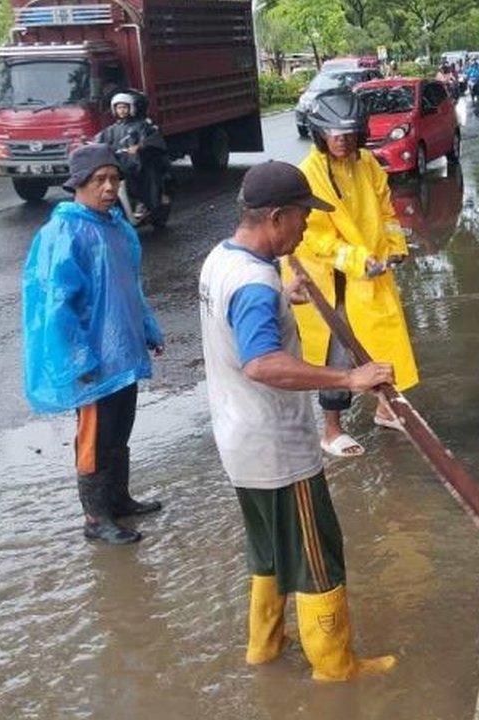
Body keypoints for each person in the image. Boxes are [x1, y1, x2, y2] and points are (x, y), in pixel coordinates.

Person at [198, 160, 398, 681]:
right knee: (317, 556)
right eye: (303, 217)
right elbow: (262, 362)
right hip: (277, 450)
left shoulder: (222, 259)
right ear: (277, 217)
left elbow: (240, 319)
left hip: (238, 443)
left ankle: (264, 647)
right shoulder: (255, 283)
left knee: (268, 551)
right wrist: (348, 380)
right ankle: (336, 668)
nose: (307, 227)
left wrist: (283, 301)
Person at [22, 144, 165, 545]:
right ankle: (95, 518)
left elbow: (129, 289)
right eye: (99, 180)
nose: (108, 187)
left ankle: (119, 500)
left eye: (114, 179)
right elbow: (57, 303)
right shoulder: (64, 232)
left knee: (120, 430)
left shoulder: (117, 227)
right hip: (92, 361)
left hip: (122, 355)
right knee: (95, 438)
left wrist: (148, 328)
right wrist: (77, 356)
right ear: (79, 184)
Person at [290, 88, 419, 458]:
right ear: (319, 134)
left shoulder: (367, 164)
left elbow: (386, 211)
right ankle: (332, 431)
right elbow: (318, 238)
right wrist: (360, 260)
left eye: (349, 133)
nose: (343, 141)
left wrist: (395, 247)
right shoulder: (310, 174)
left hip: (370, 275)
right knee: (337, 356)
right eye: (335, 134)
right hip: (331, 281)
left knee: (384, 341)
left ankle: (385, 408)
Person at [94, 92, 171, 223]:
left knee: (133, 178)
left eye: (124, 107)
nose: (122, 110)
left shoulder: (142, 125)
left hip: (139, 164)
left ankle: (141, 203)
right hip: (118, 164)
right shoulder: (111, 129)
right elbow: (99, 141)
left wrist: (140, 146)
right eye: (119, 108)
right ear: (114, 109)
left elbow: (153, 139)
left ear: (131, 108)